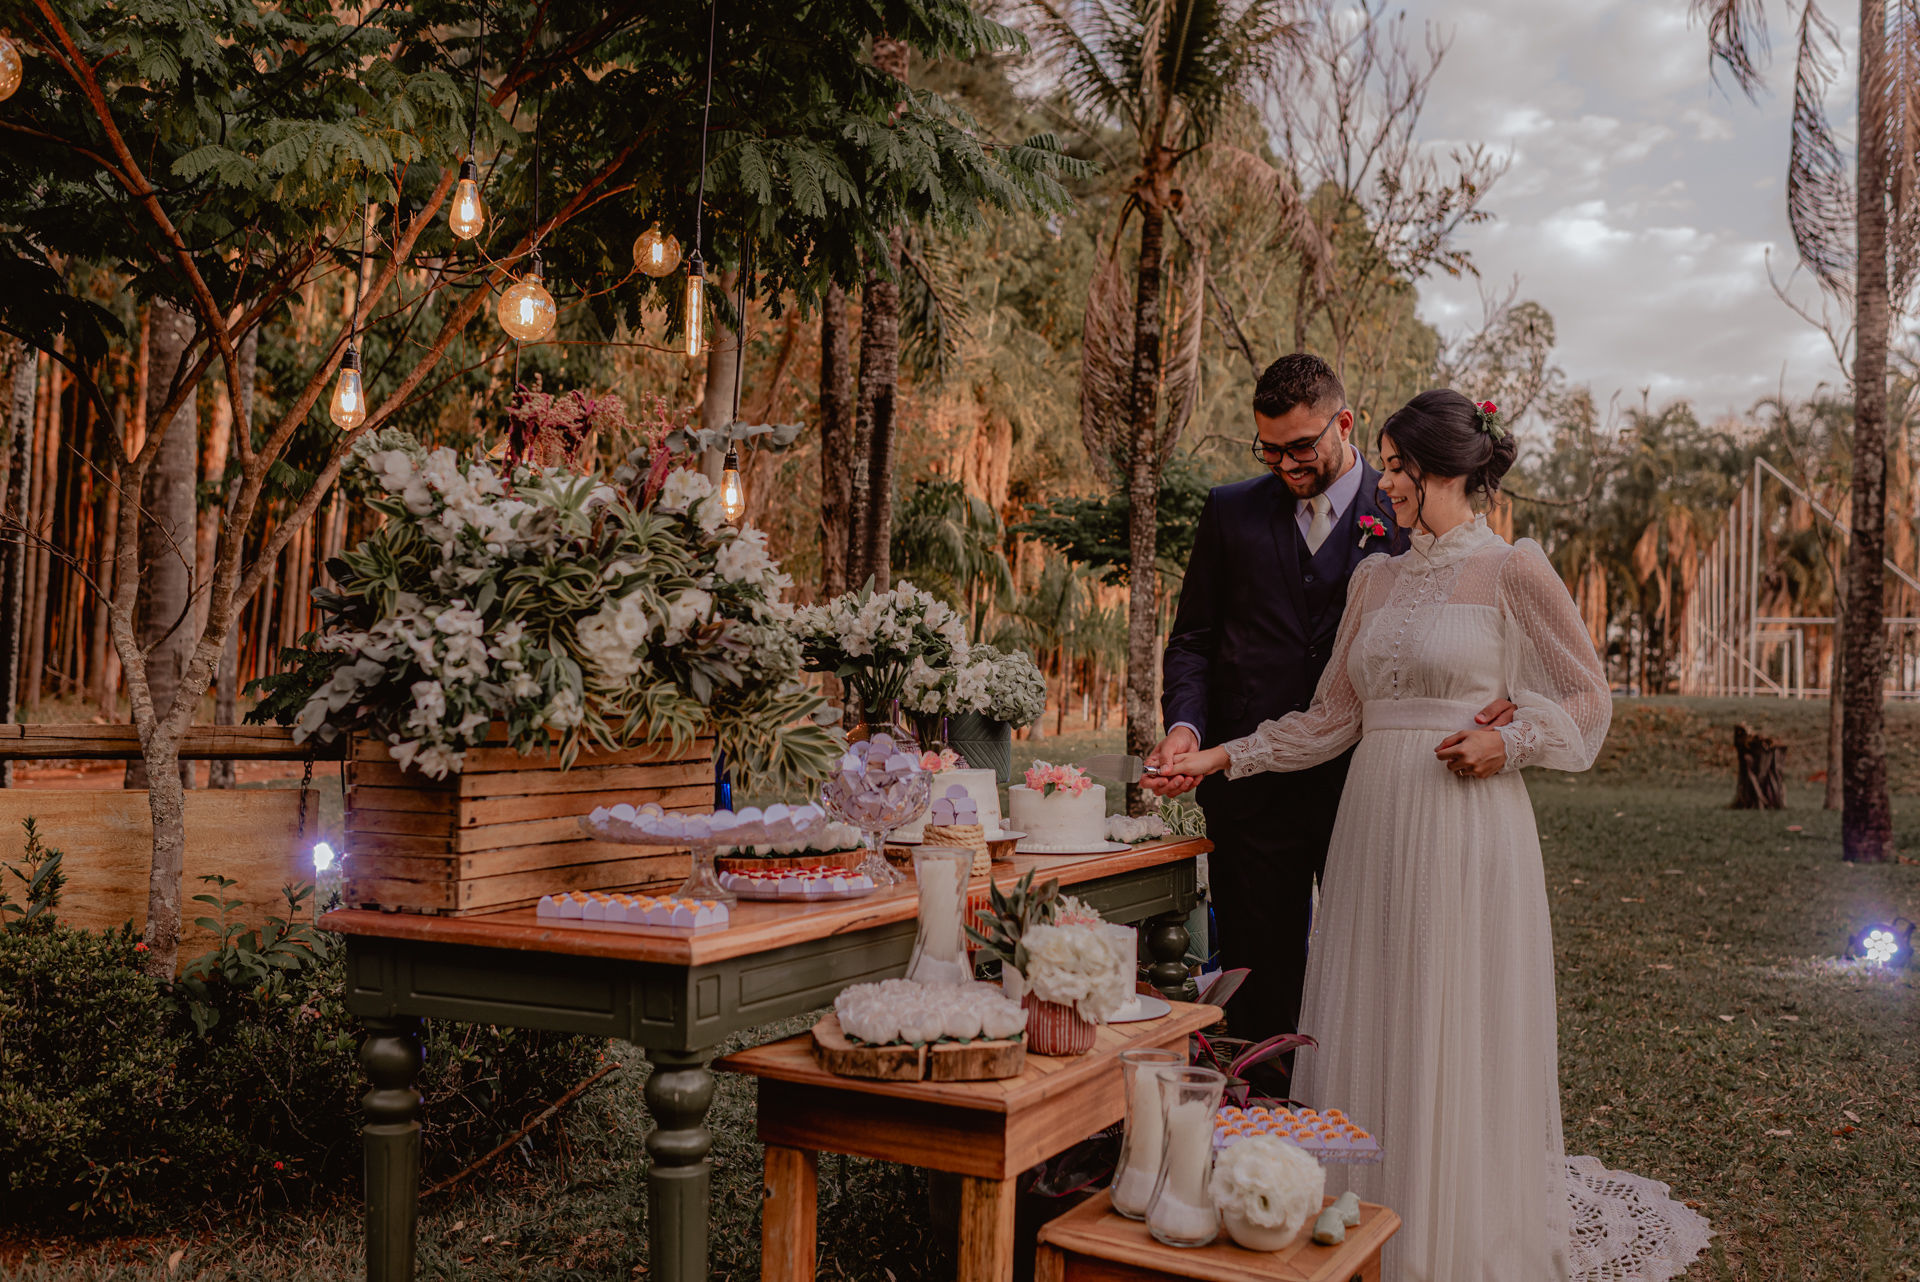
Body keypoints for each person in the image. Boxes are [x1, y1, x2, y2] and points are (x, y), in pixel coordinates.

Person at [1164, 389, 1710, 1281]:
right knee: (1374, 1005)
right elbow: (1331, 717)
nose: (1383, 482)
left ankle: (1452, 1226)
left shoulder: (1513, 570)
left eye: (1394, 465)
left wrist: (1511, 737)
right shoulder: (1374, 577)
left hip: (1466, 829)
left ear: (1441, 468)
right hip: (1373, 826)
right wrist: (1221, 756)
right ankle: (1357, 1220)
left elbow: (1586, 696)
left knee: (1447, 1011)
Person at [1145, 354, 1510, 1047]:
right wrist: (1188, 727)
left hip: (1376, 787)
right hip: (1252, 791)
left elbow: (1479, 610)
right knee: (1259, 980)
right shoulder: (1230, 512)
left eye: (1303, 446)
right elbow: (1193, 637)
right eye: (1270, 449)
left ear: (1345, 422)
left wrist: (1509, 703)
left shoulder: (1412, 502)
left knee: (1375, 975)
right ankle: (1267, 1135)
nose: (1286, 464)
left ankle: (1359, 1126)